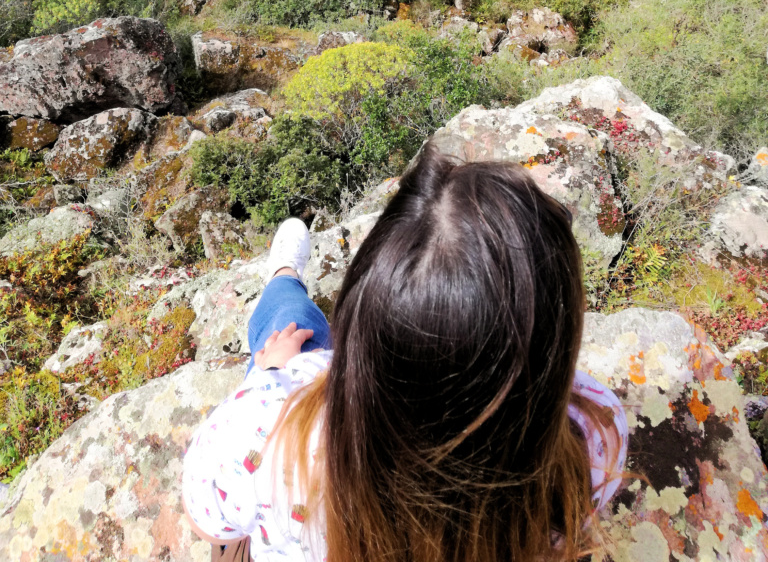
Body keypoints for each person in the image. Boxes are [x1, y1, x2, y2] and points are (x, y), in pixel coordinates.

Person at [182, 146, 629, 562]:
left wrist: (271, 377)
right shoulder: (594, 431)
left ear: (358, 316)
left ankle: (283, 275)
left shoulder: (262, 427)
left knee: (291, 322)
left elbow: (210, 526)